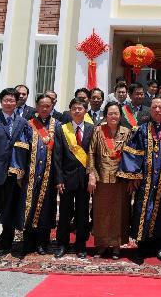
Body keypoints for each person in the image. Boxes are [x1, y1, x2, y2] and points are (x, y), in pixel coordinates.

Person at [118, 96, 161, 263]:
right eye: (155, 107)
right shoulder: (141, 129)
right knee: (143, 212)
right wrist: (134, 176)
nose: (158, 110)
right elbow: (133, 152)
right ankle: (142, 246)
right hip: (145, 181)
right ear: (150, 110)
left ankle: (160, 246)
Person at [0, 88, 30, 256]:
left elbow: (28, 146)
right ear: (1, 102)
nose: (9, 103)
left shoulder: (22, 122)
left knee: (9, 209)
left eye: (12, 100)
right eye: (6, 100)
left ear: (17, 103)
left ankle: (5, 242)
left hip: (14, 174)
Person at [16, 93, 60, 255]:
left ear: (52, 107)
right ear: (37, 106)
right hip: (31, 174)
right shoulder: (28, 125)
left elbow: (60, 154)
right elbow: (21, 150)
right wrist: (20, 171)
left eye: (48, 105)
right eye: (42, 105)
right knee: (30, 207)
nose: (44, 108)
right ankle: (28, 242)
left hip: (50, 175)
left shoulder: (58, 125)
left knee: (46, 210)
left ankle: (43, 242)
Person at [87, 102, 131, 258]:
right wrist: (91, 175)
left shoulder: (126, 132)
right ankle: (102, 245)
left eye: (116, 113)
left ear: (120, 116)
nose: (113, 116)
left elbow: (131, 155)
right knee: (101, 213)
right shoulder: (98, 131)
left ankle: (116, 245)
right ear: (106, 115)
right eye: (110, 113)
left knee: (119, 212)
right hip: (101, 178)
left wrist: (131, 177)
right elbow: (91, 153)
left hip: (121, 179)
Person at [54, 97, 94, 258]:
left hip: (84, 179)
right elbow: (57, 156)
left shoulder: (92, 129)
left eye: (80, 108)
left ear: (85, 111)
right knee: (64, 213)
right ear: (70, 111)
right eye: (74, 108)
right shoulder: (62, 129)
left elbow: (94, 155)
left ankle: (80, 244)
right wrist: (58, 179)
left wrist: (93, 176)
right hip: (66, 178)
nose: (77, 111)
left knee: (83, 213)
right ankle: (62, 244)